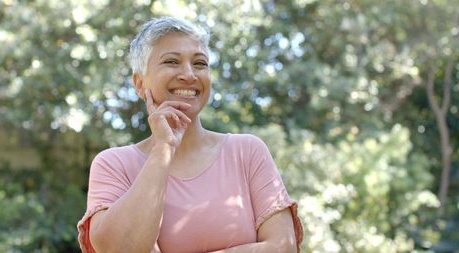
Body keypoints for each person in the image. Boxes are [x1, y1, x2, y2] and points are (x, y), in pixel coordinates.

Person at [77, 16, 303, 253]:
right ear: (139, 83)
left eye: (200, 64)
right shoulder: (114, 164)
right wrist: (163, 148)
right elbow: (120, 250)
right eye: (172, 61)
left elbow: (283, 247)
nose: (189, 74)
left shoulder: (247, 152)